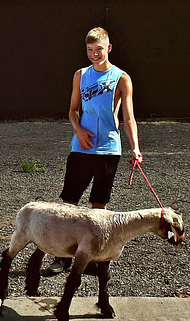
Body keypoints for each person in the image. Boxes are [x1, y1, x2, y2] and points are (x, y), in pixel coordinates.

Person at [43, 27, 142, 276]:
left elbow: (129, 118)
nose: (94, 54)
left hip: (108, 149)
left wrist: (136, 148)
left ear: (109, 48)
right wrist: (78, 131)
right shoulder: (81, 75)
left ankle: (93, 258)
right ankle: (61, 256)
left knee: (99, 206)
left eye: (99, 49)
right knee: (68, 204)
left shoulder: (121, 77)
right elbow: (73, 110)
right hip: (82, 148)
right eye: (89, 50)